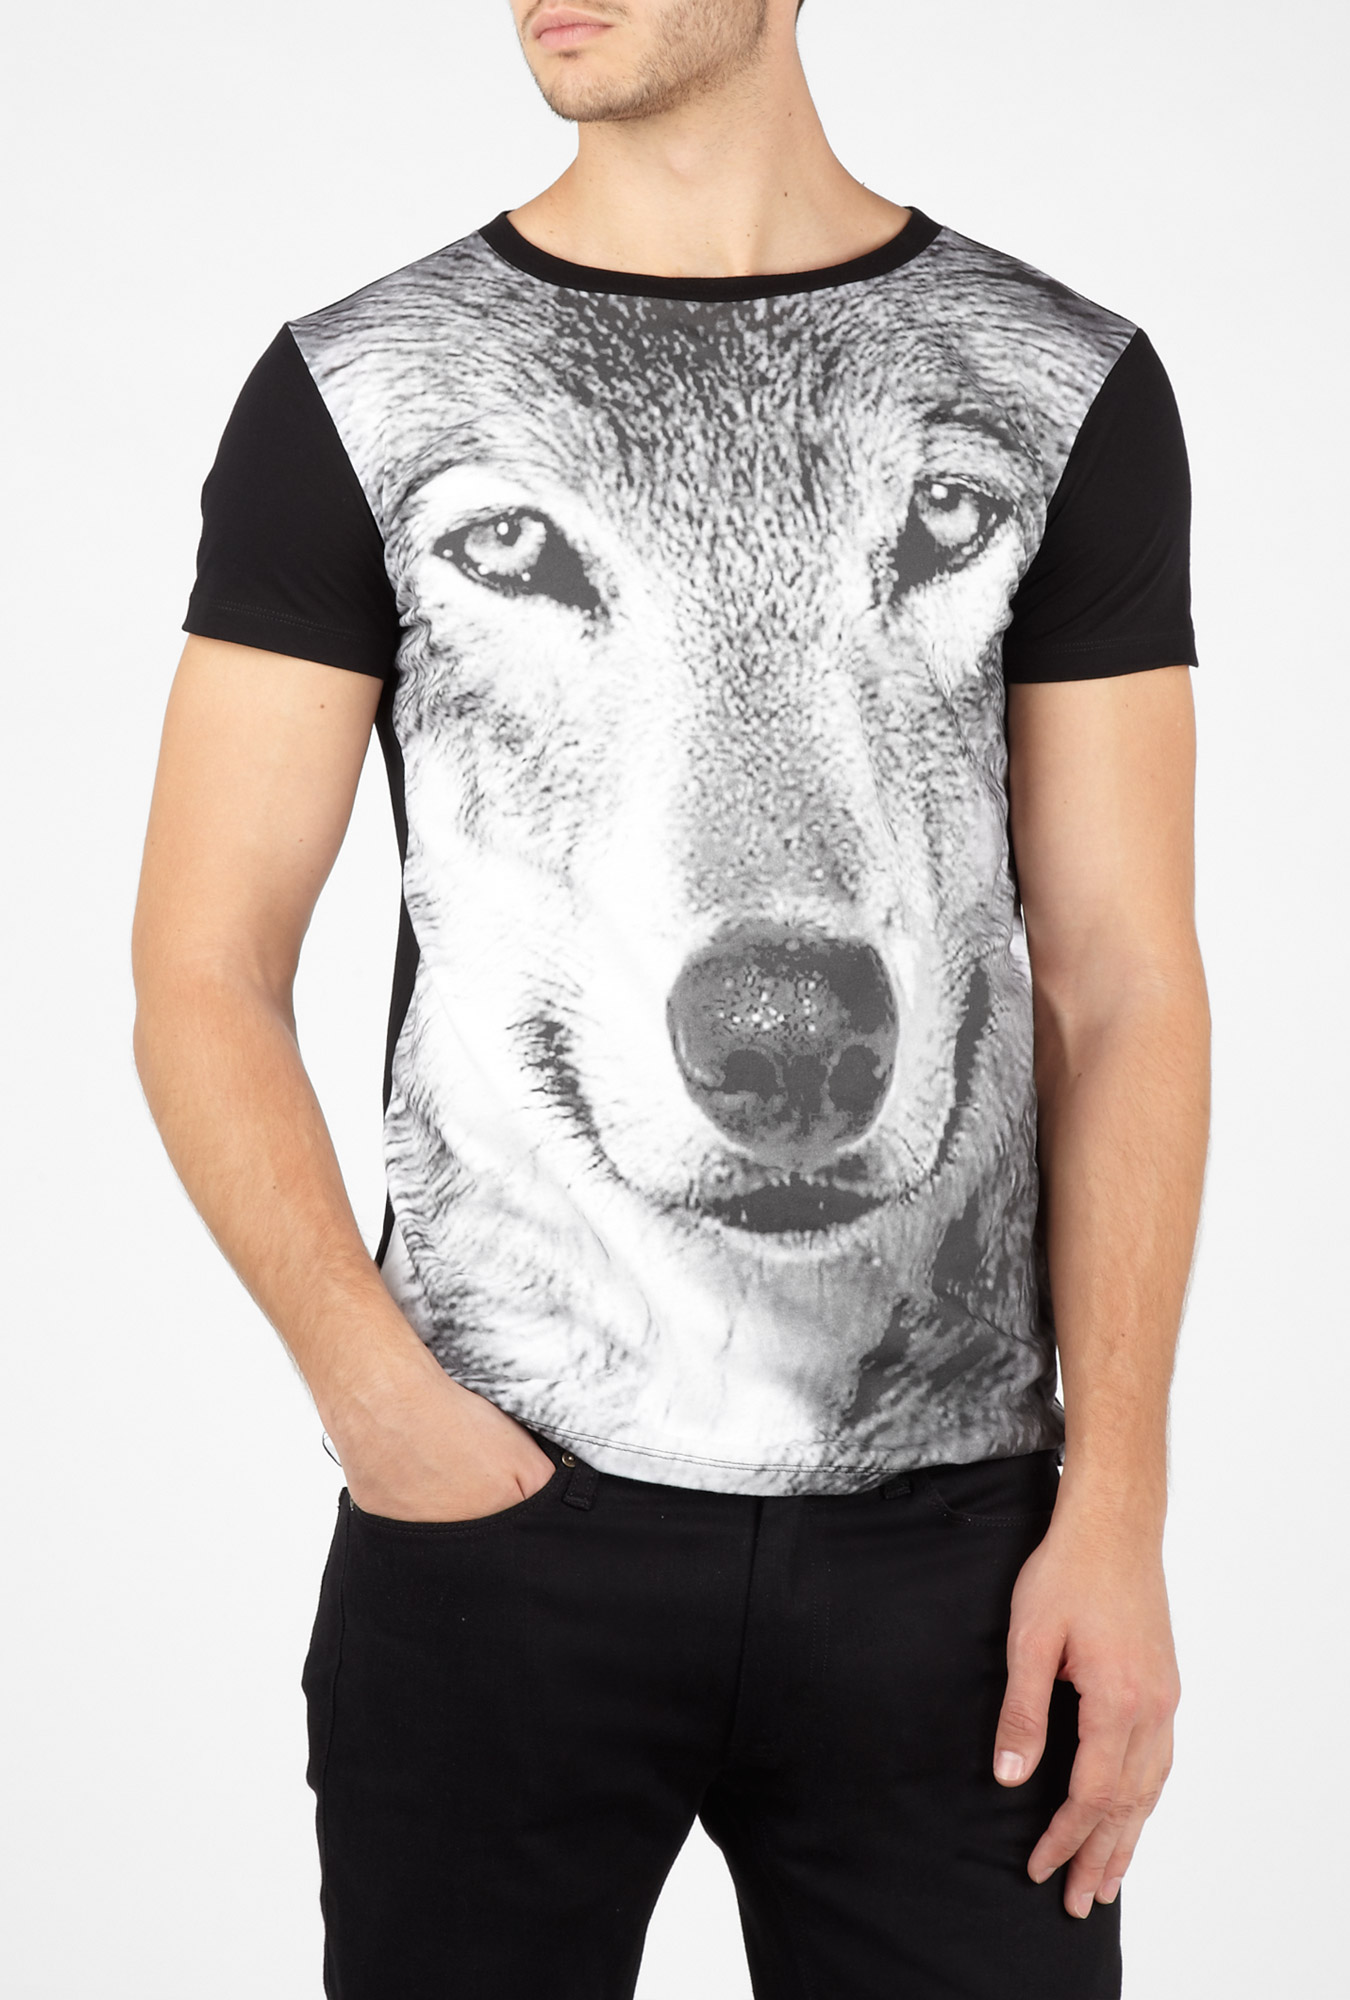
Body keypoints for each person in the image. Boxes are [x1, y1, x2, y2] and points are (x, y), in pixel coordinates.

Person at [131, 2, 1210, 1994]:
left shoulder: (1066, 381)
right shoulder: (351, 387)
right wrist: (384, 1408)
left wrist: (1115, 1510)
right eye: (512, 542)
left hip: (960, 1561)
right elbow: (202, 964)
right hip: (495, 1523)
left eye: (934, 517)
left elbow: (1124, 976)